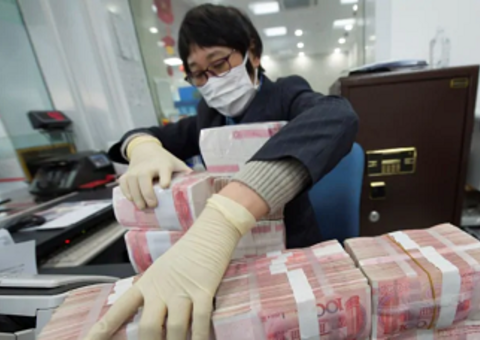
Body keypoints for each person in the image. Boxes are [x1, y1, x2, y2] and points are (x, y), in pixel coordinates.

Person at [86, 4, 358, 340]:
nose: (211, 82)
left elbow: (338, 116)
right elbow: (151, 135)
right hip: (226, 261)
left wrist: (225, 217)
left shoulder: (285, 93)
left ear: (252, 54)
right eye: (199, 74)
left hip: (289, 252)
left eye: (219, 64)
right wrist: (141, 147)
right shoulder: (208, 114)